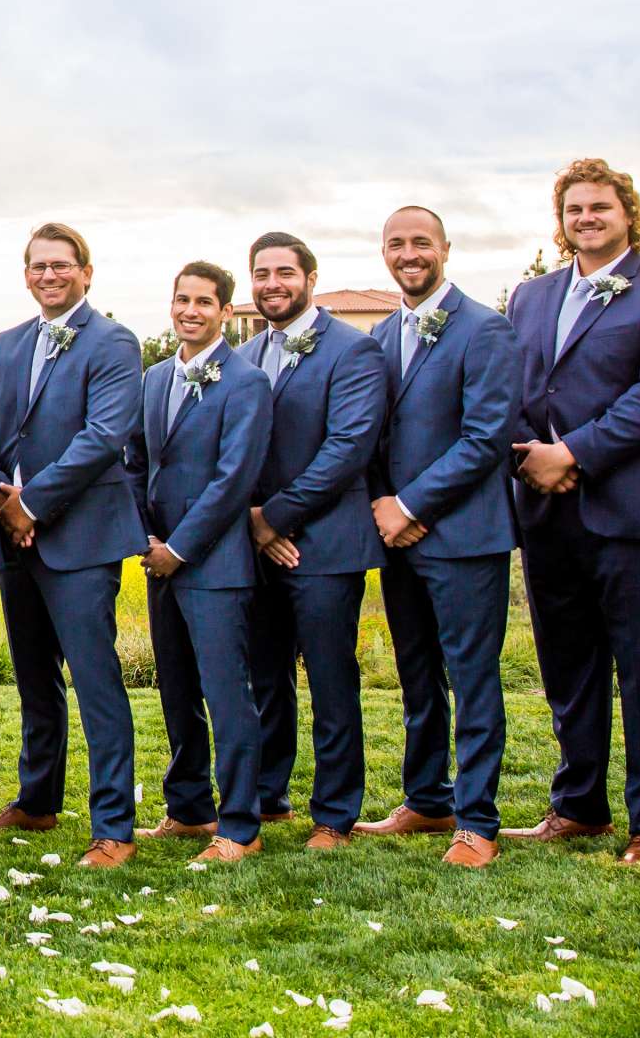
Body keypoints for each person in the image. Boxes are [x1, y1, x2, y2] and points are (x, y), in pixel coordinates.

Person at [505, 159, 640, 863]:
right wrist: (530, 456)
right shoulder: (531, 297)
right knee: (568, 665)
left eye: (600, 207)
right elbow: (514, 389)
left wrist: (575, 454)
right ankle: (579, 807)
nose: (586, 218)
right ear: (560, 221)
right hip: (544, 508)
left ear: (628, 213)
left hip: (634, 507)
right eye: (574, 209)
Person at [352, 206, 520, 867]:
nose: (408, 253)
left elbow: (485, 438)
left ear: (445, 248)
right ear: (384, 253)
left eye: (420, 242)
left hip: (464, 536)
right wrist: (380, 506)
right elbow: (366, 433)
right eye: (395, 244)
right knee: (418, 676)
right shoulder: (382, 334)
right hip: (397, 540)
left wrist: (412, 504)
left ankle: (477, 822)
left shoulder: (486, 330)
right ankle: (427, 799)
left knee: (472, 679)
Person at [0, 222, 144, 867]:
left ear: (86, 272)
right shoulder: (6, 343)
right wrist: (2, 498)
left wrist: (33, 504)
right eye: (37, 266)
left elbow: (103, 437)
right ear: (25, 275)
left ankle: (114, 828)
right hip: (14, 540)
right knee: (33, 677)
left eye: (61, 265)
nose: (48, 276)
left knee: (95, 679)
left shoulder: (114, 342)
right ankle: (38, 799)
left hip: (80, 538)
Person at [240, 232, 387, 849]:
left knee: (329, 678)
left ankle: (334, 813)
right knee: (266, 677)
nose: (273, 283)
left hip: (325, 542)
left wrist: (276, 517)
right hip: (253, 542)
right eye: (261, 273)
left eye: (284, 272)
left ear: (310, 277)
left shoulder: (353, 352)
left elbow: (348, 448)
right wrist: (254, 522)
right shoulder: (242, 357)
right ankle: (269, 795)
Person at [135, 261, 274, 863]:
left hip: (213, 564)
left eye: (203, 302)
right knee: (176, 689)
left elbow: (232, 479)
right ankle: (188, 808)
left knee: (226, 693)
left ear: (224, 311)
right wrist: (144, 539)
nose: (190, 310)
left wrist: (179, 548)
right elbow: (136, 464)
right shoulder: (154, 378)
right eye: (181, 300)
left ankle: (240, 824)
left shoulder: (245, 383)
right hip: (157, 558)